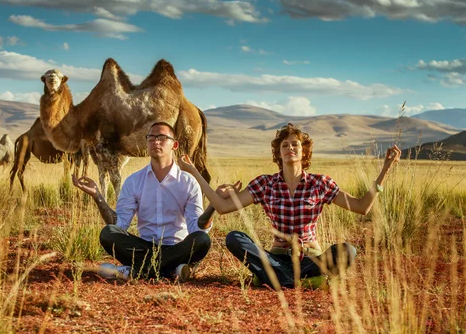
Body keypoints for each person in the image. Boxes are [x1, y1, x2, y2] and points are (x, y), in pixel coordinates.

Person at [178, 123, 401, 289]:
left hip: (310, 259)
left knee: (347, 251)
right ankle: (298, 282)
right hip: (276, 257)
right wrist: (194, 172)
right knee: (234, 237)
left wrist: (385, 171)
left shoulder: (320, 183)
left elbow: (361, 207)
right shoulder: (265, 184)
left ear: (304, 151)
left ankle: (275, 279)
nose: (290, 148)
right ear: (279, 152)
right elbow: (223, 207)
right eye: (285, 145)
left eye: (295, 144)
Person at [72, 121, 212, 281]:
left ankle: (132, 271)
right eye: (151, 138)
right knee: (107, 233)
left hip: (177, 248)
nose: (155, 142)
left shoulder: (188, 182)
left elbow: (197, 229)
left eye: (162, 137)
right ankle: (171, 271)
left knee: (202, 240)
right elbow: (119, 224)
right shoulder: (134, 181)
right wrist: (98, 197)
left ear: (174, 145)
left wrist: (212, 208)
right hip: (143, 248)